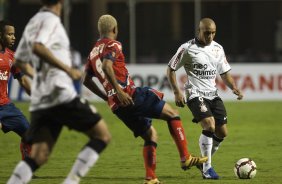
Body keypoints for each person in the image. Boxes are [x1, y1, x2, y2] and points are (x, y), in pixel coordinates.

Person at [83, 14, 208, 184]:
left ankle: (151, 178)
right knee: (172, 113)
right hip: (130, 95)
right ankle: (185, 157)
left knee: (151, 135)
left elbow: (86, 80)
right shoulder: (114, 44)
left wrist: (108, 97)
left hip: (117, 107)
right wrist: (118, 90)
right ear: (114, 29)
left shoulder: (92, 53)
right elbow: (106, 66)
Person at [6, 1, 111, 184]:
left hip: (42, 99)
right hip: (59, 93)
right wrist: (67, 70)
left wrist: (39, 77)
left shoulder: (33, 21)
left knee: (39, 156)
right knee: (102, 135)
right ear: (61, 2)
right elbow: (38, 47)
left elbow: (20, 61)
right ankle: (71, 181)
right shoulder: (50, 20)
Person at [167, 18, 243, 180]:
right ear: (199, 31)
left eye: (213, 33)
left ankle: (203, 162)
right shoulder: (187, 48)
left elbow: (224, 73)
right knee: (209, 125)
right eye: (207, 33)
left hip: (213, 94)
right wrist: (176, 92)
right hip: (195, 93)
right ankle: (207, 168)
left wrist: (234, 87)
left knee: (222, 132)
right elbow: (171, 69)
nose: (210, 36)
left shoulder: (218, 48)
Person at [0, 20, 31, 160]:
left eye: (14, 34)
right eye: (9, 34)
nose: (13, 37)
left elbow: (23, 80)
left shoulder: (12, 56)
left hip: (6, 106)